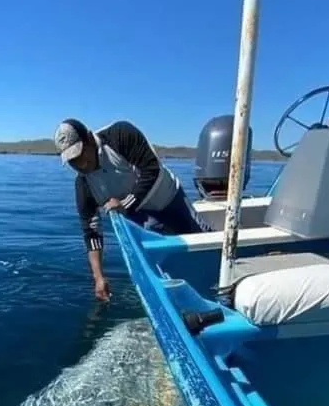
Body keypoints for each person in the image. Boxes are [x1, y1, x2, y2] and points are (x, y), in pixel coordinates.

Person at [54, 118, 212, 301]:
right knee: (165, 264)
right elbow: (91, 232)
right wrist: (98, 277)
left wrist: (125, 204)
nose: (80, 164)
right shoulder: (83, 184)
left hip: (169, 197)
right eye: (72, 161)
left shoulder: (119, 135)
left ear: (89, 138)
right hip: (140, 218)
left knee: (202, 240)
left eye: (80, 155)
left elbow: (151, 169)